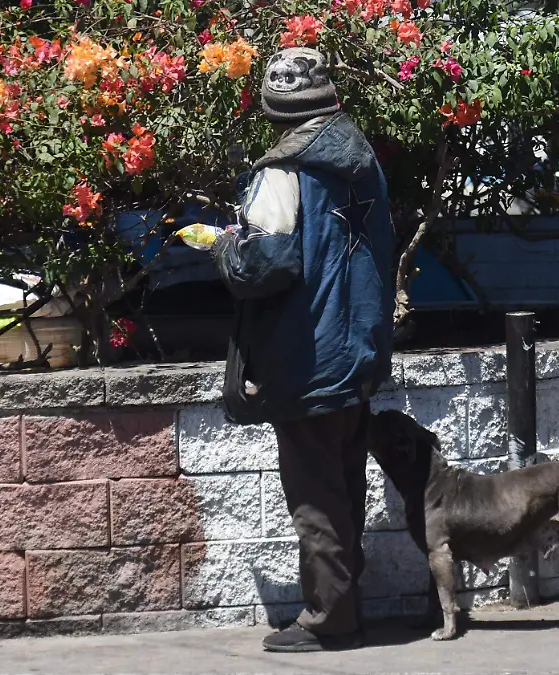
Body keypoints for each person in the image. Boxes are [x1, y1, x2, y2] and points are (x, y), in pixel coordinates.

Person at [210, 47, 394, 653]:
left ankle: (329, 619)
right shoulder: (360, 160)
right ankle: (346, 606)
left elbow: (265, 265)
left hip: (308, 355)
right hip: (357, 349)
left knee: (315, 496)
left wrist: (224, 247)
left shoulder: (283, 172)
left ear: (274, 111)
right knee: (343, 486)